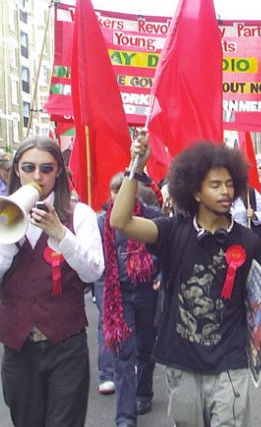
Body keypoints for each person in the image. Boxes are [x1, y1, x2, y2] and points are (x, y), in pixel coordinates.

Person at [109, 133, 261, 427]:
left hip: (231, 364)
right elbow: (121, 221)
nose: (225, 191)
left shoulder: (247, 241)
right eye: (215, 185)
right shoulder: (172, 231)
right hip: (183, 362)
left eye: (229, 184)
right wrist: (135, 168)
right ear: (195, 192)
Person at [0, 136, 104, 427]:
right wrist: (8, 241)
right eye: (29, 167)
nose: (37, 176)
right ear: (16, 170)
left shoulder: (79, 214)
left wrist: (61, 234)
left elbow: (94, 272)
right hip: (19, 349)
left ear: (58, 171)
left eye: (46, 168)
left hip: (66, 346)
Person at [98, 172, 161, 427]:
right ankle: (125, 417)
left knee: (146, 347)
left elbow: (167, 249)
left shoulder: (153, 216)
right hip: (119, 294)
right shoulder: (102, 220)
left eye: (123, 189)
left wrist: (160, 272)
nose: (118, 194)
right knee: (123, 354)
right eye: (115, 190)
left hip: (148, 290)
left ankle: (144, 392)